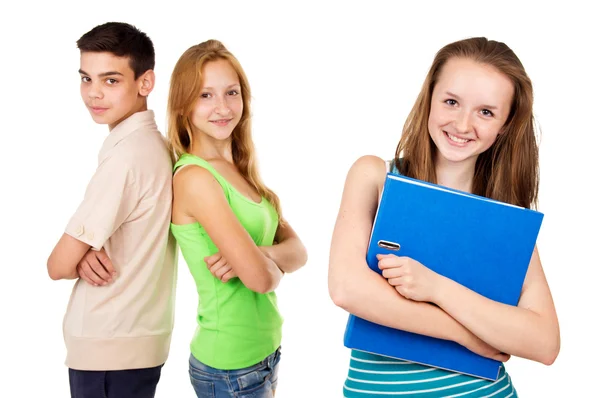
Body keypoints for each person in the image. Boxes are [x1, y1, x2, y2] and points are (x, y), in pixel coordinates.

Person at [328, 37, 560, 397]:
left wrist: (436, 288)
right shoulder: (375, 177)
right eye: (451, 102)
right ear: (430, 100)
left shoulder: (504, 216)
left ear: (505, 124)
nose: (463, 124)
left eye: (486, 112)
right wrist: (467, 334)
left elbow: (544, 342)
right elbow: (347, 289)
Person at [167, 39, 307, 398]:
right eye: (205, 95)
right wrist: (266, 264)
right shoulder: (195, 178)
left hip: (265, 355)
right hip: (230, 367)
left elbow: (299, 252)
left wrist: (261, 253)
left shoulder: (241, 171)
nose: (223, 107)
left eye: (231, 92)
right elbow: (261, 281)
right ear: (183, 105)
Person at [47, 22, 177, 398]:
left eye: (111, 80)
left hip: (110, 346)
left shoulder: (127, 158)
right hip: (131, 341)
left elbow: (57, 266)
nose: (93, 94)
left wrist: (78, 254)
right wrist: (84, 252)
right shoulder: (151, 144)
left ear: (145, 82)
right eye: (86, 79)